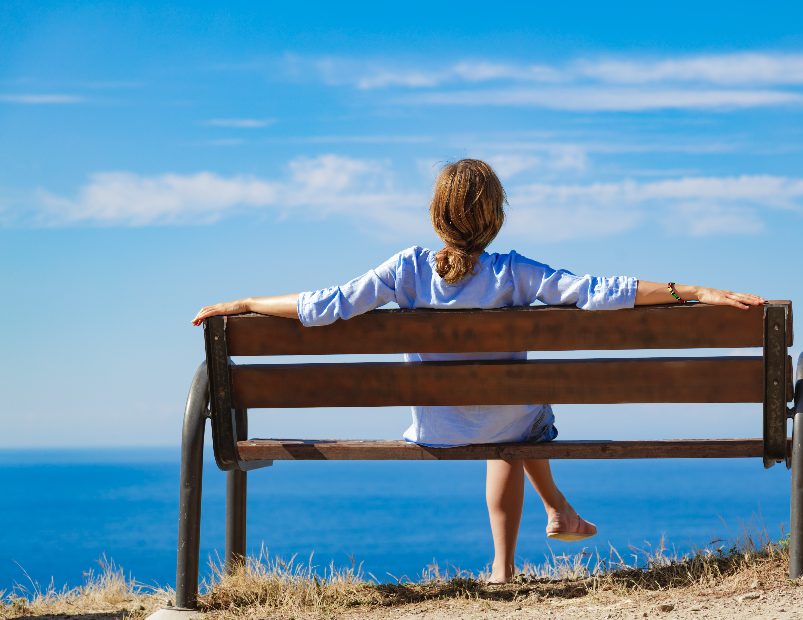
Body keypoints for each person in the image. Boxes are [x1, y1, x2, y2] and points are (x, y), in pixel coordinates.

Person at [192, 158, 766, 583]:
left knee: (504, 412)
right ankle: (533, 535)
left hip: (438, 429)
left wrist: (243, 305)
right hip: (511, 421)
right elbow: (597, 291)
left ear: (437, 214)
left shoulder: (407, 269)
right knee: (514, 414)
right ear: (496, 217)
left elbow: (325, 305)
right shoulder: (515, 272)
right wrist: (689, 290)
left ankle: (516, 554)